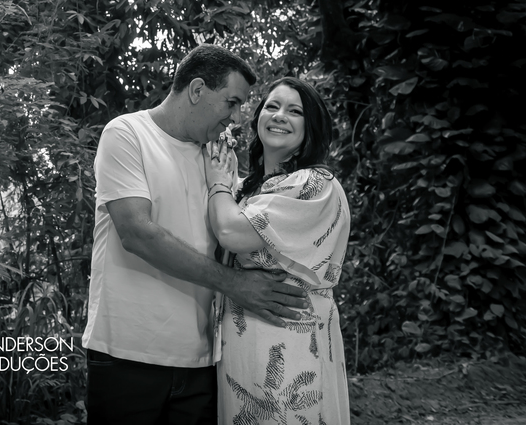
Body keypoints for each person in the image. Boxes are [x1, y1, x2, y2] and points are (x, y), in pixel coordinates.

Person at [82, 45, 312, 425]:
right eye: (231, 103)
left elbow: (241, 232)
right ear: (197, 89)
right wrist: (235, 284)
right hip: (127, 356)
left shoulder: (217, 160)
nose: (235, 117)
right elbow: (137, 233)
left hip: (202, 364)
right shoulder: (127, 133)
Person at [205, 77, 351, 425]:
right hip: (240, 345)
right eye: (272, 106)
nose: (280, 115)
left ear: (311, 127)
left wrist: (217, 183)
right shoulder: (246, 189)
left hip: (291, 343)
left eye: (295, 111)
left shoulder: (315, 184)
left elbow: (231, 232)